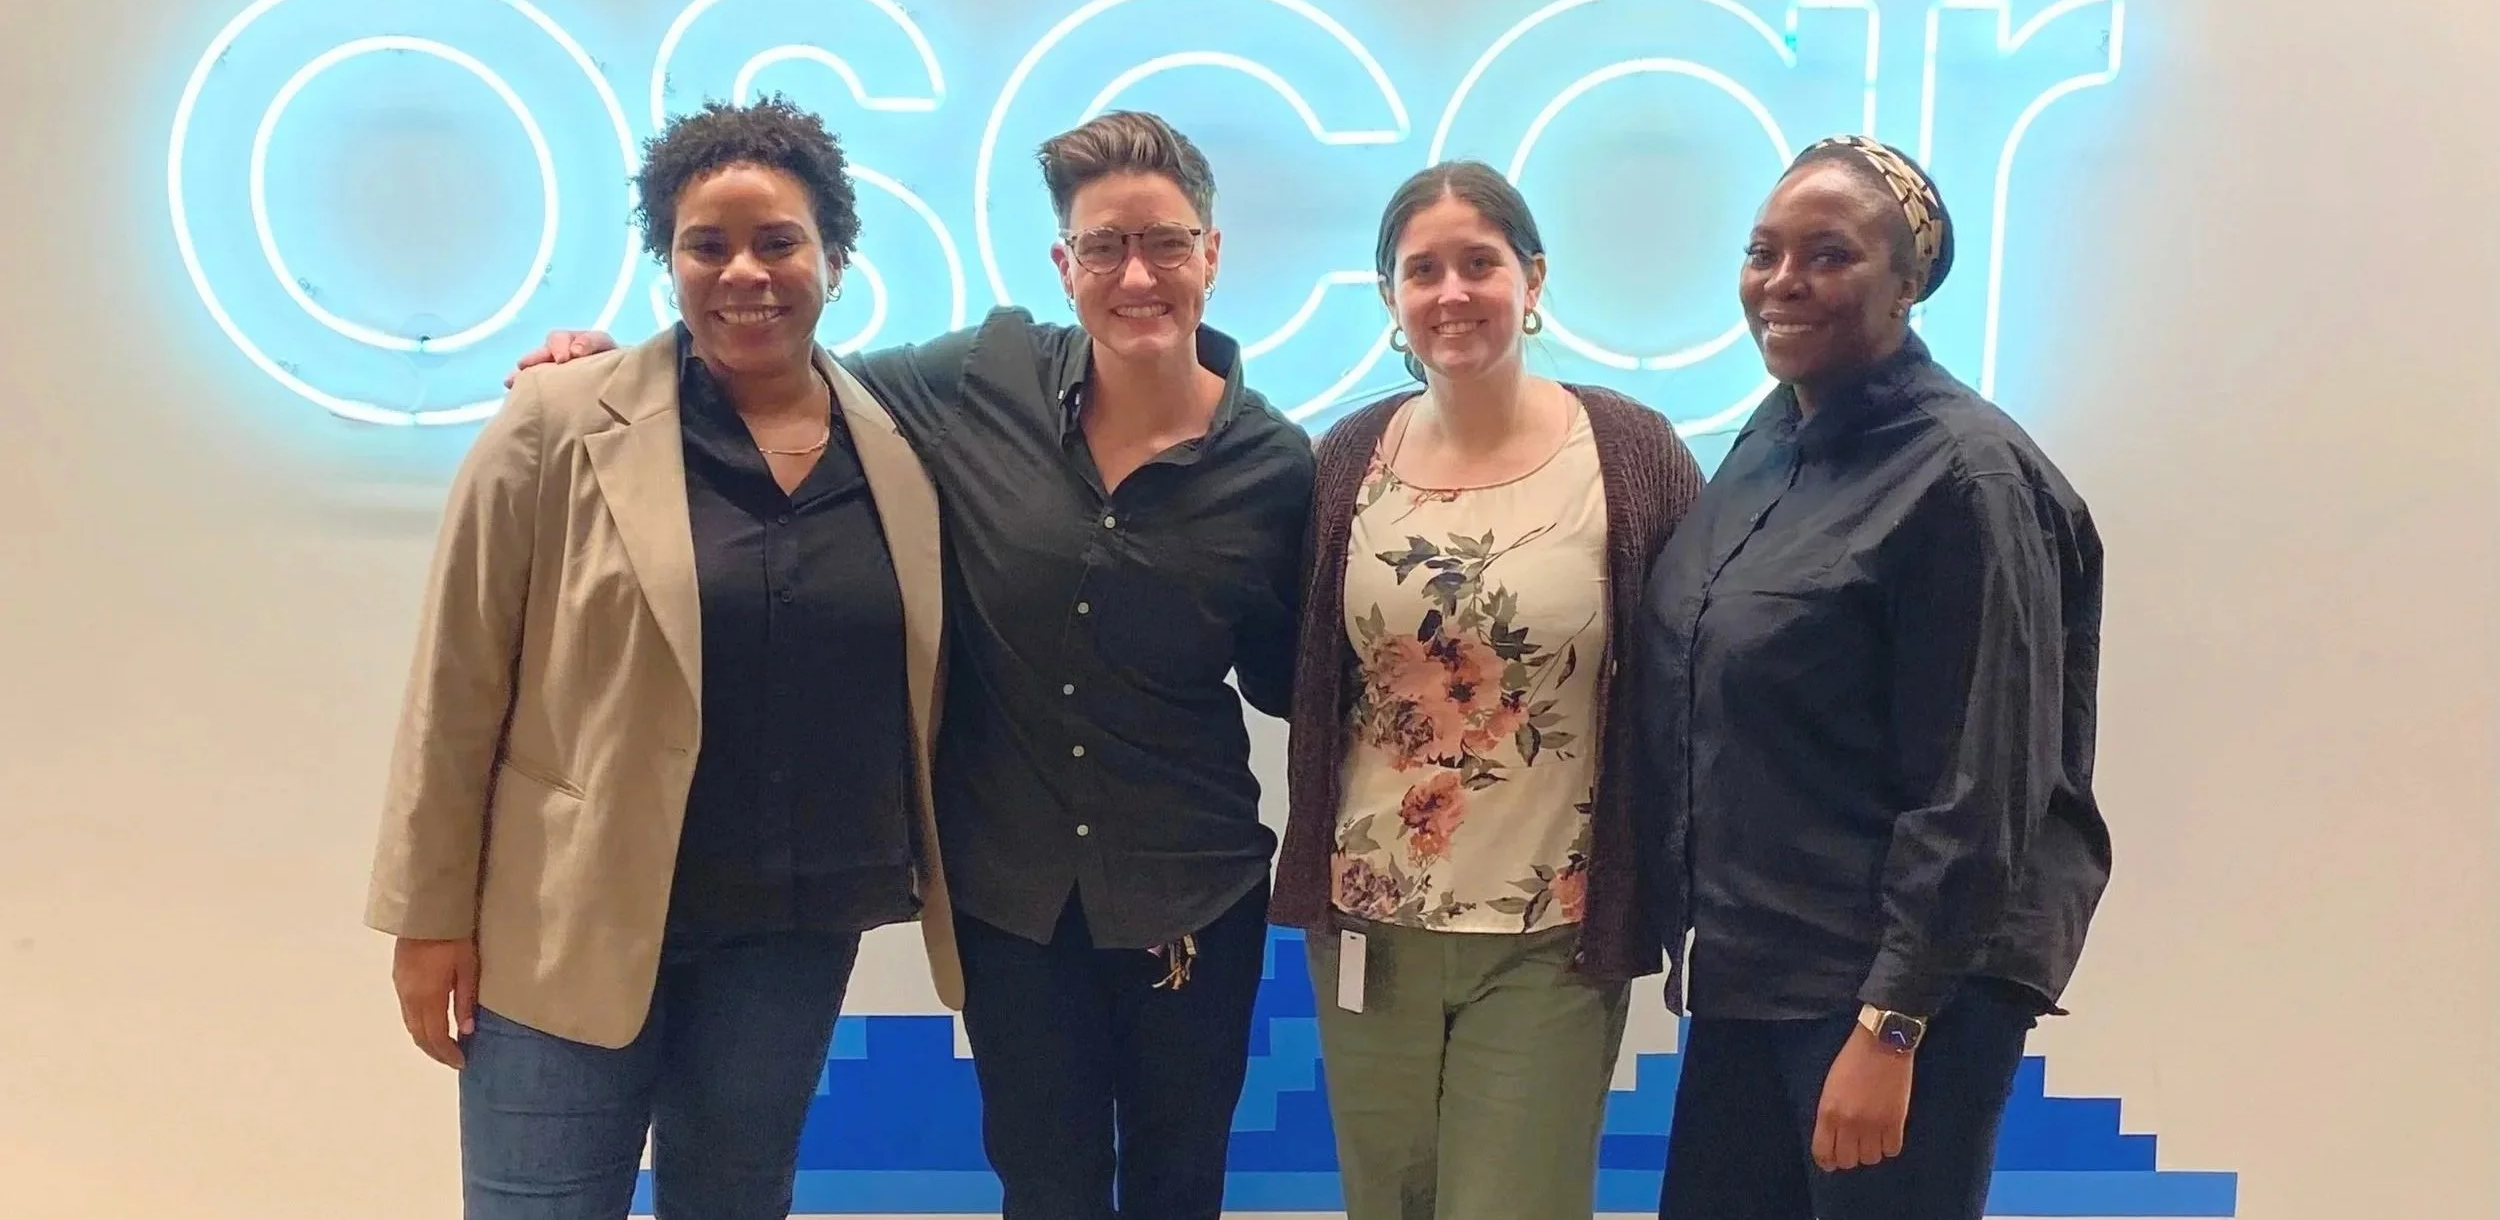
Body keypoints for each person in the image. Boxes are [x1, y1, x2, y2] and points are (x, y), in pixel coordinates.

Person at [511, 109, 1315, 1220]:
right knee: (1045, 1186)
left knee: (1180, 1189)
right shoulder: (979, 379)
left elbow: (1294, 679)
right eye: (1104, 247)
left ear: (1211, 255)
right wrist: (603, 375)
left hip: (1192, 890)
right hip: (1010, 898)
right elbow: (781, 371)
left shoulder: (1275, 466)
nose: (1138, 273)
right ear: (1062, 264)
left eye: (1167, 243)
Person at [365, 95, 960, 1220]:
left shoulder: (897, 444)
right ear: (666, 260)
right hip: (566, 917)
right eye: (707, 244)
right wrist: (426, 914)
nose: (745, 272)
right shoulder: (558, 419)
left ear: (834, 253)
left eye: (778, 240)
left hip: (786, 935)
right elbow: (455, 684)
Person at [1633, 134, 2112, 1220]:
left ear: (1907, 285)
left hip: (1888, 997)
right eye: (1763, 251)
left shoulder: (1969, 479)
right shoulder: (1770, 440)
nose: (1782, 281)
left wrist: (1892, 1021)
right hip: (1751, 974)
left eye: (1828, 254)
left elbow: (1983, 785)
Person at [1267, 161, 1703, 1219]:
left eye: (1479, 263)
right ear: (1390, 299)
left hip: (1550, 931)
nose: (1451, 292)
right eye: (1422, 270)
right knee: (1392, 1205)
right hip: (1369, 925)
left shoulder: (1629, 452)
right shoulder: (1347, 458)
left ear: (1532, 278)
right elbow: (1305, 672)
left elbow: (1701, 658)